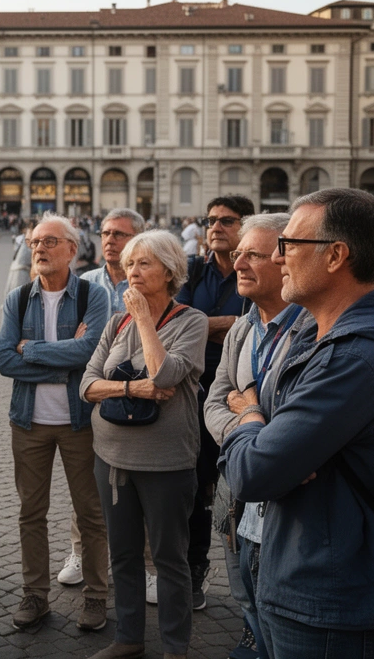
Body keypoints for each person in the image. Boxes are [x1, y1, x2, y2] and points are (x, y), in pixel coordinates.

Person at [219, 188, 374, 659]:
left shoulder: (353, 359)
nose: (278, 259)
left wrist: (248, 416)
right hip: (315, 574)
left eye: (289, 246)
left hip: (330, 596)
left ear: (335, 256)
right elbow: (272, 458)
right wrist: (271, 439)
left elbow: (253, 473)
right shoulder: (335, 341)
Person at [80, 230, 207, 659]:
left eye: (144, 264)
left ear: (169, 271)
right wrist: (132, 389)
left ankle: (175, 647)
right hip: (111, 459)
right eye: (129, 264)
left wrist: (146, 321)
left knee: (170, 559)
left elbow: (167, 374)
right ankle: (129, 638)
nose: (132, 272)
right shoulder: (115, 322)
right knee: (124, 554)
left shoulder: (191, 321)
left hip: (167, 462)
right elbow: (87, 386)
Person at [201, 213, 314, 659]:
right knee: (245, 594)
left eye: (253, 254)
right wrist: (253, 424)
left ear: (286, 261)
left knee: (282, 605)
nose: (238, 263)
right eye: (237, 253)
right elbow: (214, 401)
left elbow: (295, 430)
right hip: (236, 495)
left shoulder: (314, 329)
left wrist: (247, 411)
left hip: (287, 505)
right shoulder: (244, 327)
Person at [0, 214, 111, 632]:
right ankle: (35, 595)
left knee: (91, 514)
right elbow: (7, 361)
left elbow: (91, 352)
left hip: (80, 421)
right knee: (31, 512)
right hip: (28, 422)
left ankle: (97, 597)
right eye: (34, 242)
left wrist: (35, 349)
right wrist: (64, 360)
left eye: (49, 241)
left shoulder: (92, 297)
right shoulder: (17, 298)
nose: (40, 249)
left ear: (71, 249)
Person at [58, 207, 145, 587]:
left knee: (141, 483)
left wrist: (88, 342)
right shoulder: (83, 282)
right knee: (88, 485)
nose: (110, 240)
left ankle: (148, 564)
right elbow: (70, 344)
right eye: (107, 233)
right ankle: (81, 553)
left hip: (137, 399)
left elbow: (94, 343)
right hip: (90, 397)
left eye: (120, 235)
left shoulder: (147, 281)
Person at [173, 195, 253, 609]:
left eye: (227, 220)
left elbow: (265, 322)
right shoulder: (192, 269)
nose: (216, 226)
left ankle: (253, 588)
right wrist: (234, 324)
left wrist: (200, 326)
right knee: (198, 490)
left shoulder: (258, 269)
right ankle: (195, 571)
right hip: (196, 393)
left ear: (247, 225)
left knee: (245, 490)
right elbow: (175, 321)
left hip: (247, 397)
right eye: (211, 220)